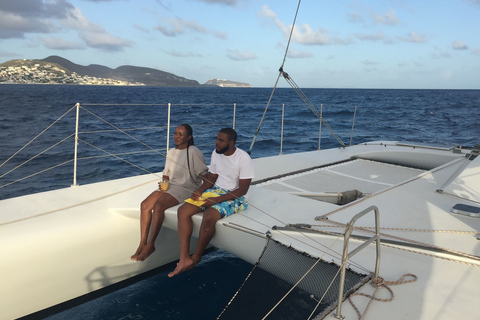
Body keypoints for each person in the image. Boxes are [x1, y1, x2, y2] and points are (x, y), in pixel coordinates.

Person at [168, 127, 254, 277]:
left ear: (231, 142)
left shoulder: (243, 158)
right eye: (217, 139)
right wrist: (200, 191)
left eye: (221, 140)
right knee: (183, 211)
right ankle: (184, 258)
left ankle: (196, 257)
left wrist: (216, 200)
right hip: (216, 191)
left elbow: (243, 190)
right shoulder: (216, 153)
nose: (217, 143)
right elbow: (212, 178)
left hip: (236, 197)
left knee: (209, 216)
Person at [131, 124, 208, 262]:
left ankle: (150, 245)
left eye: (181, 134)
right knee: (144, 205)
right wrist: (164, 182)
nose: (176, 136)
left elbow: (204, 175)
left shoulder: (193, 152)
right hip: (171, 186)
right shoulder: (171, 151)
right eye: (175, 133)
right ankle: (142, 243)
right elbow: (167, 173)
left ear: (189, 137)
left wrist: (201, 191)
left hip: (186, 187)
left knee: (159, 206)